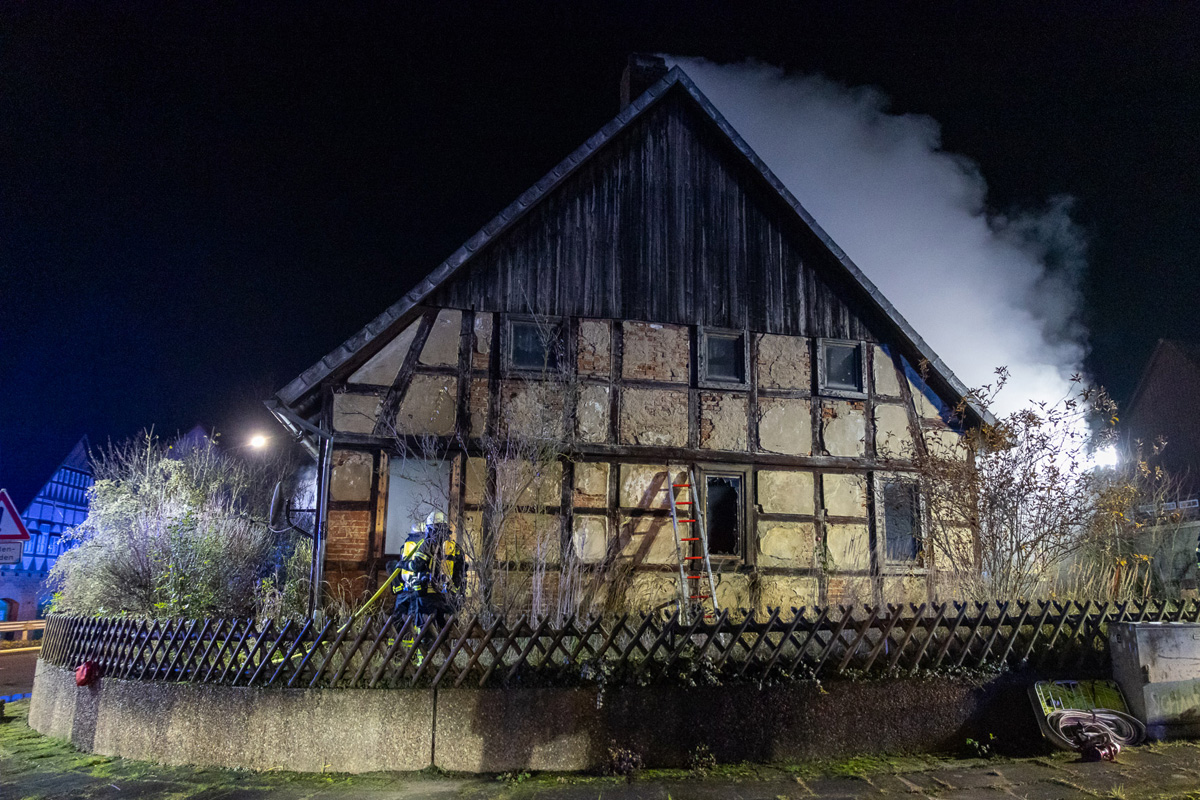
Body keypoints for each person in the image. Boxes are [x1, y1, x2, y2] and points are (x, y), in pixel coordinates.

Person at [390, 510, 466, 631]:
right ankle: (444, 649)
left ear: (429, 528)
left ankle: (423, 648)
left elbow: (416, 566)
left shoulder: (427, 544)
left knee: (425, 628)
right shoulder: (455, 547)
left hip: (428, 594)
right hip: (447, 595)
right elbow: (461, 572)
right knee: (445, 629)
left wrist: (402, 564)